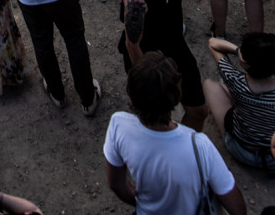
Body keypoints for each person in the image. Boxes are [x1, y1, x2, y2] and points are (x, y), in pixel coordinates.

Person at [103, 52, 247, 215]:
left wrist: (143, 205)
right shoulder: (200, 145)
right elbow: (237, 208)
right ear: (177, 94)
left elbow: (116, 184)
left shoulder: (119, 124)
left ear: (131, 91)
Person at [117, 0, 206, 127]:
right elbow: (132, 45)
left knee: (199, 111)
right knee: (156, 121)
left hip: (176, 47)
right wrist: (146, 82)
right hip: (150, 62)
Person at [200, 33, 275, 176]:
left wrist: (237, 50)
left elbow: (213, 43)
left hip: (241, 151)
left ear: (244, 62)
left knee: (210, 84)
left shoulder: (234, 80)